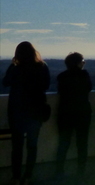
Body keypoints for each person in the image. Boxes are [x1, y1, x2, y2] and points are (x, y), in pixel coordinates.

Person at [3, 41, 51, 185]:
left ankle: (15, 177)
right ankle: (28, 176)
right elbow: (46, 85)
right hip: (35, 111)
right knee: (32, 145)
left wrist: (13, 65)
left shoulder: (16, 69)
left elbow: (5, 82)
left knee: (17, 146)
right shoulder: (42, 67)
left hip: (16, 111)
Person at [55, 52, 93, 179]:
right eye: (82, 61)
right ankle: (80, 173)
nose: (84, 63)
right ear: (77, 63)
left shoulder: (61, 77)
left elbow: (61, 92)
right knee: (82, 144)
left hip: (65, 113)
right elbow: (88, 89)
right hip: (82, 113)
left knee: (63, 144)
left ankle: (59, 172)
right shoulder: (84, 75)